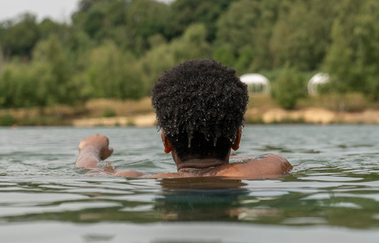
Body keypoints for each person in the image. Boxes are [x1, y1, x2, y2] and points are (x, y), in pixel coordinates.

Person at [75, 59, 292, 179]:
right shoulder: (271, 167)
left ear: (166, 141)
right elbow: (259, 159)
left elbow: (89, 169)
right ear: (236, 138)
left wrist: (90, 148)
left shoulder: (140, 177)